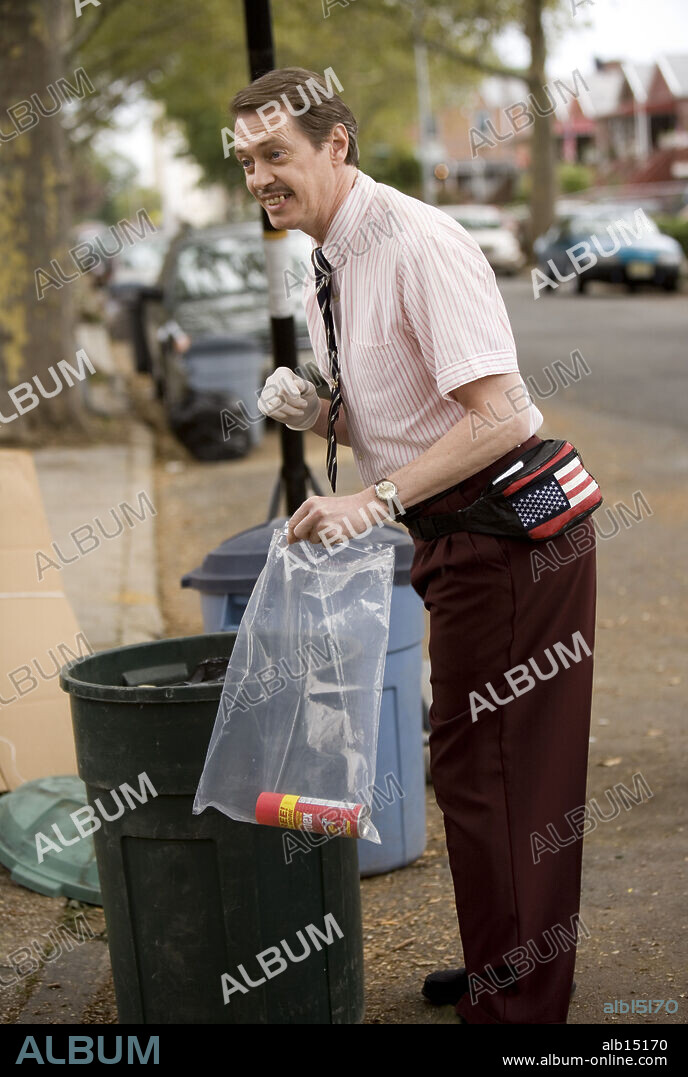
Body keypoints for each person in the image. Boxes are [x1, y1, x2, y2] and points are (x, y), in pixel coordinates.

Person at [232, 67, 597, 1024]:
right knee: (474, 769)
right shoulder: (329, 258)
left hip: (509, 538)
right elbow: (415, 411)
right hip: (453, 535)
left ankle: (519, 1009)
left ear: (336, 143)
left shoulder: (415, 242)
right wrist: (325, 413)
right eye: (246, 162)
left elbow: (499, 416)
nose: (259, 177)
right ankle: (501, 966)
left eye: (276, 154)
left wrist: (372, 502)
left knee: (504, 776)